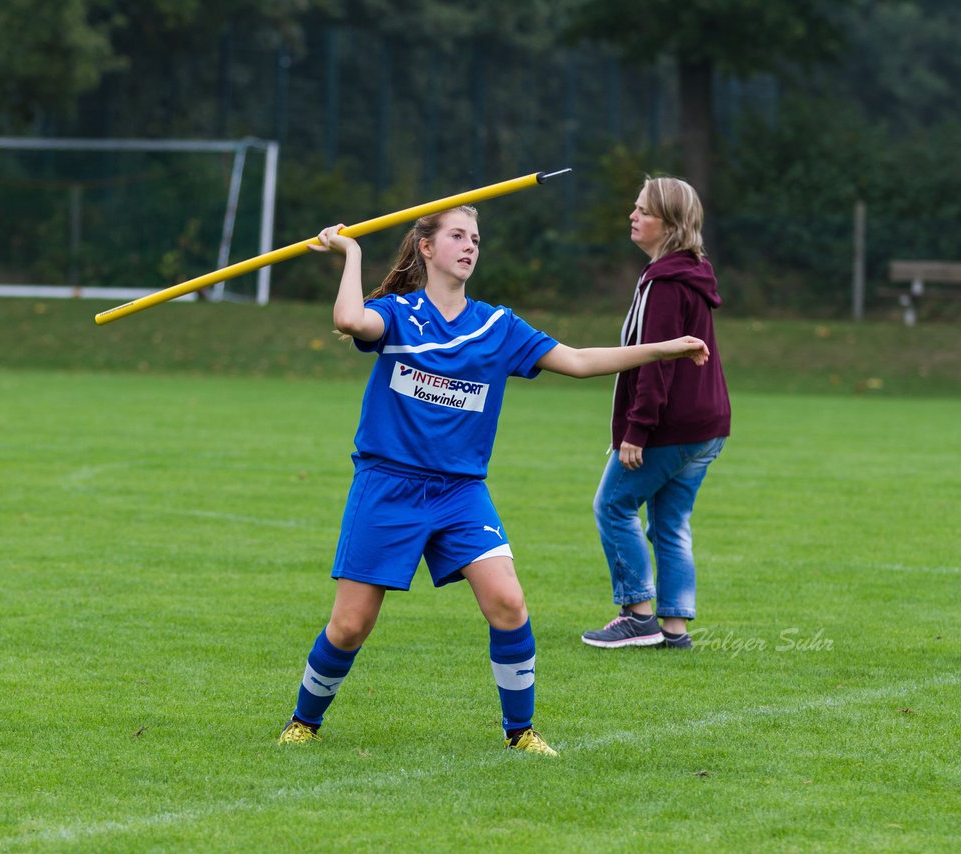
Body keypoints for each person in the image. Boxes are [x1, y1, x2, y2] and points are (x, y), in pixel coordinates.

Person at [276, 204, 711, 755]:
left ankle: (520, 733)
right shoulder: (398, 315)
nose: (470, 246)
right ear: (425, 248)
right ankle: (303, 721)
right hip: (388, 486)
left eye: (476, 239)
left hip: (460, 493)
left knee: (508, 602)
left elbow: (577, 360)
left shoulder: (497, 326)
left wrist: (665, 349)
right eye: (457, 236)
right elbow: (348, 320)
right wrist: (352, 253)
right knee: (350, 626)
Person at [581, 176, 731, 651]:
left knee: (612, 505)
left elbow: (656, 360)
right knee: (669, 522)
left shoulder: (666, 282)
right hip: (707, 425)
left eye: (643, 210)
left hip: (672, 426)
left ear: (669, 225)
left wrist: (637, 430)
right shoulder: (691, 273)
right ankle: (674, 629)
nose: (633, 215)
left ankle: (637, 614)